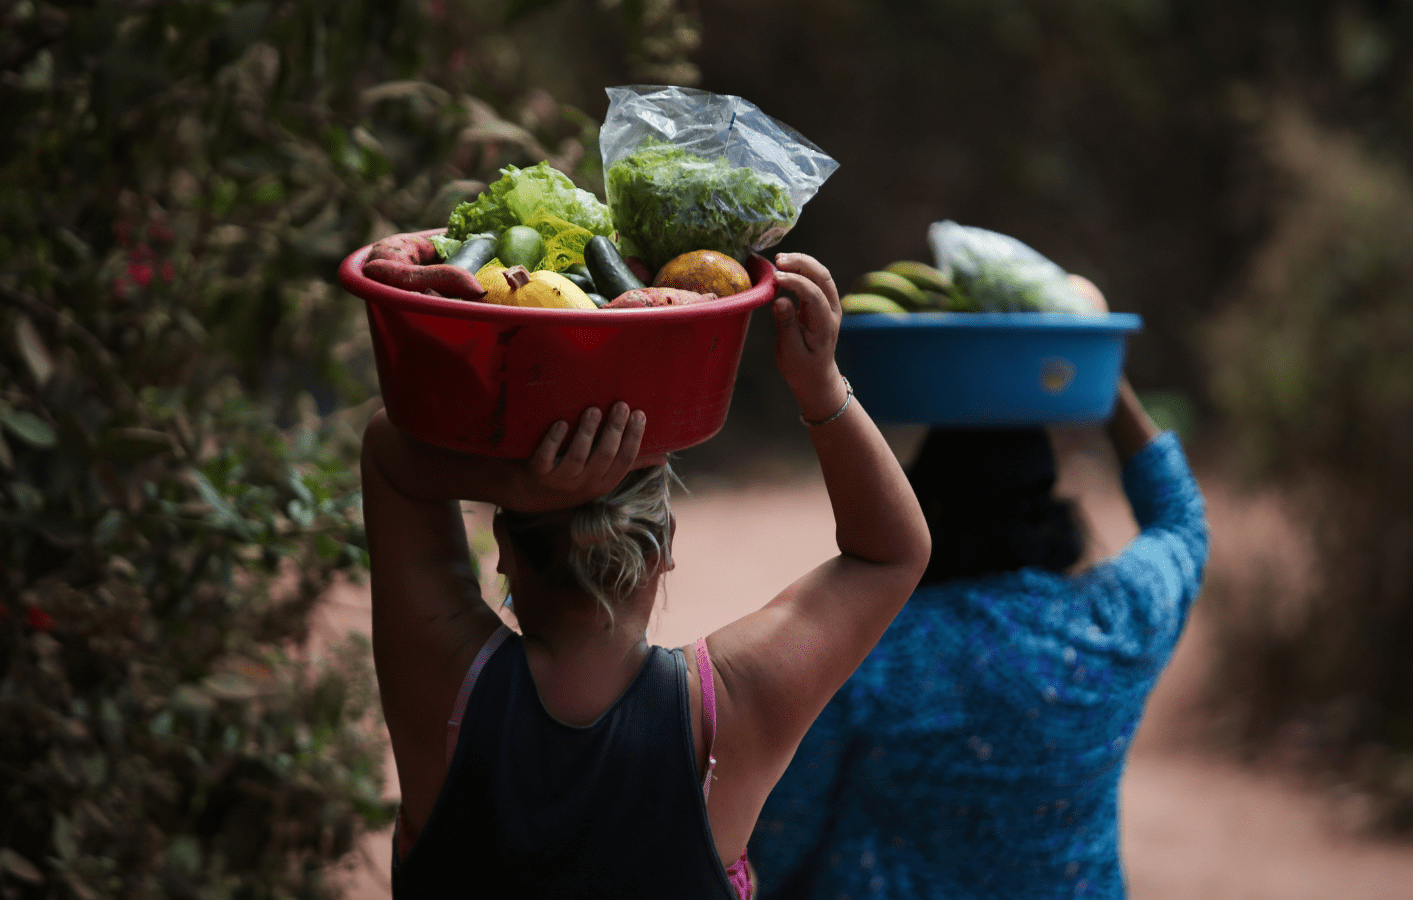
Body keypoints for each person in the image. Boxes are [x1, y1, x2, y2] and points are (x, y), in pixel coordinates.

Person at [359, 252, 931, 899]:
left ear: (503, 547)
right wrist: (820, 385)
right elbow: (890, 553)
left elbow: (387, 450)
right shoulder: (730, 713)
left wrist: (518, 482)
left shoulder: (443, 692)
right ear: (665, 547)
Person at [747, 276, 1211, 899]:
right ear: (1050, 513)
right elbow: (1180, 521)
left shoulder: (870, 653)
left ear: (922, 510)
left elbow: (779, 840)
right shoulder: (1113, 625)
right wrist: (1101, 376)